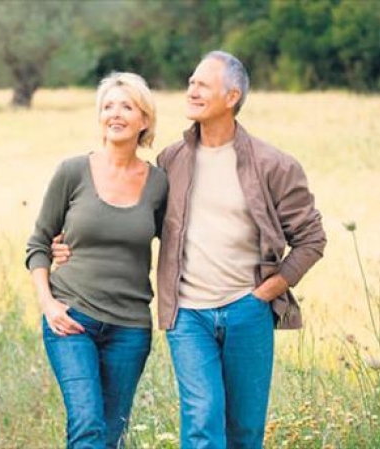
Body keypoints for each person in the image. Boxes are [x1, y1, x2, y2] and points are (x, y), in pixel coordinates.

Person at [52, 51, 326, 448]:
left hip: (248, 310)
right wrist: (70, 246)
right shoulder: (172, 161)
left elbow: (311, 238)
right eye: (191, 82)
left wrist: (264, 295)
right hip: (188, 315)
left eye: (203, 84)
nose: (191, 90)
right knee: (202, 420)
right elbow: (136, 223)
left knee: (245, 431)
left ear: (232, 96)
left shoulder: (274, 165)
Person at [25, 72, 168, 449]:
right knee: (87, 424)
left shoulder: (159, 184)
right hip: (72, 319)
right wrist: (49, 305)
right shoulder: (72, 172)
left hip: (130, 329)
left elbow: (177, 245)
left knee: (110, 435)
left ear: (145, 120)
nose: (115, 114)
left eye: (127, 106)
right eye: (107, 106)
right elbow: (39, 243)